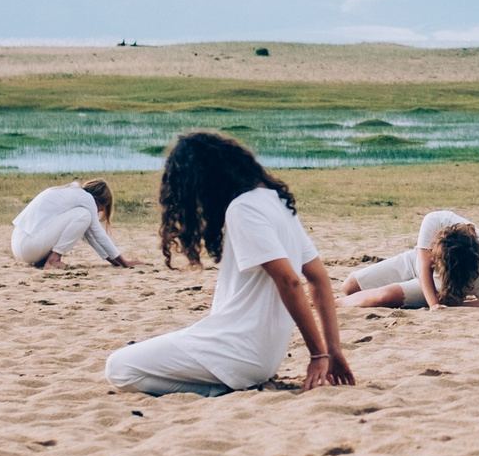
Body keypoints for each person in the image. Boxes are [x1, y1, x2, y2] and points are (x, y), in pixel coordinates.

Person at [104, 132, 355, 396]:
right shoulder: (276, 202)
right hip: (261, 358)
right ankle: (225, 383)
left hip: (238, 351)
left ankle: (217, 390)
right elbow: (318, 278)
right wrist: (333, 349)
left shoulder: (243, 208)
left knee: (119, 368)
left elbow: (289, 280)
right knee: (151, 348)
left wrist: (319, 355)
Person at [339, 210, 479, 309]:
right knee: (350, 286)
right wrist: (433, 304)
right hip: (416, 260)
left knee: (384, 296)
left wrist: (452, 305)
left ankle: (331, 304)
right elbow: (424, 267)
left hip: (444, 280)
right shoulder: (436, 220)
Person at [11, 178, 135, 269]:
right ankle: (54, 259)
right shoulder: (86, 199)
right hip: (29, 246)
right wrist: (124, 263)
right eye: (103, 207)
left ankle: (46, 260)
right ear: (99, 201)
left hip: (19, 247)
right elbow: (99, 235)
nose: (102, 210)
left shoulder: (72, 193)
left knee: (84, 216)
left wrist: (114, 261)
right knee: (84, 214)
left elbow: (91, 236)